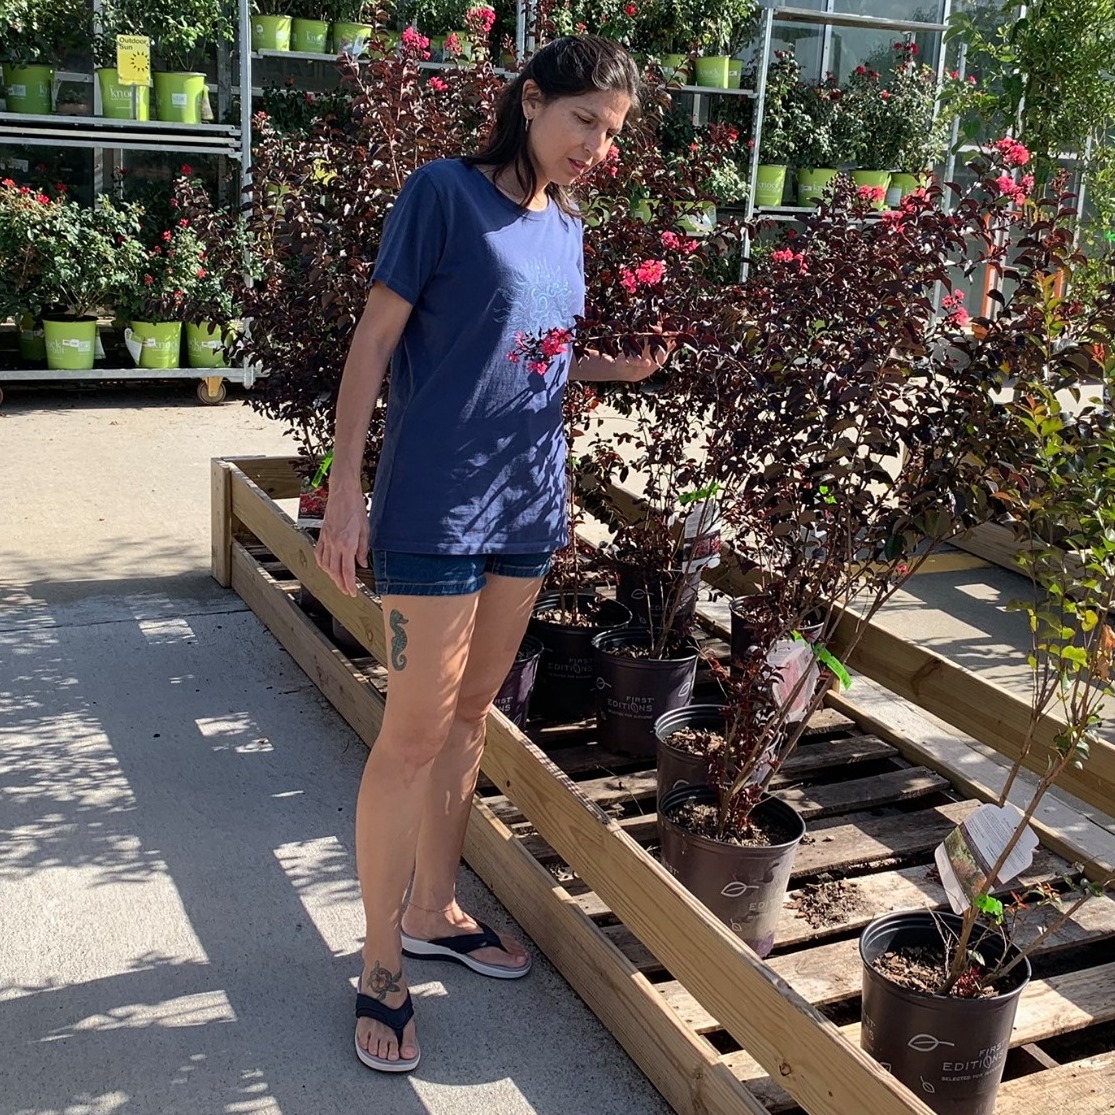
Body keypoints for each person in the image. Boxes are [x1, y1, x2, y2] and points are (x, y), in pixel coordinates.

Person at [314, 34, 663, 1074]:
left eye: (611, 132)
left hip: (527, 504)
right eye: (583, 120)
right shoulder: (442, 194)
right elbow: (375, 342)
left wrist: (611, 368)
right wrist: (345, 488)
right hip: (433, 505)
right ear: (530, 100)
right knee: (412, 734)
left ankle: (433, 908)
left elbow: (528, 351)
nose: (595, 146)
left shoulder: (568, 228)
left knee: (472, 714)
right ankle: (381, 961)